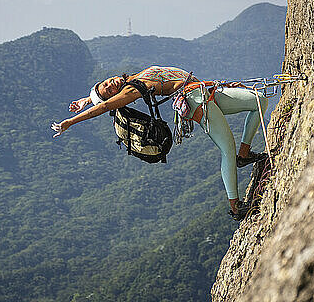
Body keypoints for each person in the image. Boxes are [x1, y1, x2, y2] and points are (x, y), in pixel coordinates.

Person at [51, 66, 268, 220]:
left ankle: (245, 153)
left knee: (259, 100)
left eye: (107, 82)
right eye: (109, 89)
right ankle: (235, 206)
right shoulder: (130, 91)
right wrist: (71, 121)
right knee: (226, 149)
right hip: (197, 101)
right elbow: (104, 107)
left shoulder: (132, 78)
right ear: (115, 96)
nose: (111, 83)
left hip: (206, 90)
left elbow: (99, 99)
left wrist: (85, 99)